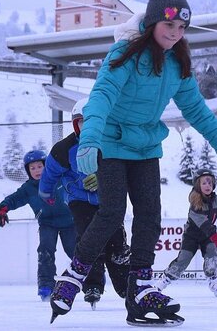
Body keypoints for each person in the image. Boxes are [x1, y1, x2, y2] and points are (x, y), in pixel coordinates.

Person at [50, 0, 217, 326]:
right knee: (111, 212)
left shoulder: (177, 63)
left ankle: (140, 289)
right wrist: (89, 140)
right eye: (169, 25)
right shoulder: (125, 54)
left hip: (146, 147)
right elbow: (102, 95)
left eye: (182, 28)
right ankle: (73, 276)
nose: (176, 34)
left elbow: (196, 109)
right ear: (152, 22)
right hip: (111, 142)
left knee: (150, 215)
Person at [40, 97, 130, 309]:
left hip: (109, 199)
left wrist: (104, 178)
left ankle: (125, 284)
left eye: (93, 121)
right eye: (82, 121)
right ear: (75, 124)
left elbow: (127, 171)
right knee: (88, 240)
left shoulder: (112, 145)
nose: (87, 126)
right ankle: (92, 284)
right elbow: (50, 172)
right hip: (79, 200)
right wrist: (45, 192)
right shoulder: (64, 149)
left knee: (117, 243)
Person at [0, 149, 75, 302]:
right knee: (45, 251)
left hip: (69, 221)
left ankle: (91, 279)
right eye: (32, 168)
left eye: (40, 166)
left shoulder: (59, 179)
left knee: (74, 251)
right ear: (28, 171)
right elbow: (13, 199)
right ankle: (46, 285)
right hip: (47, 223)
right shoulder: (29, 188)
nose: (37, 170)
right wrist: (2, 210)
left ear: (47, 166)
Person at [156, 169, 217, 297]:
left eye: (210, 183)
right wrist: (216, 238)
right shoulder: (195, 204)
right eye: (204, 183)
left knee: (212, 254)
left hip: (206, 237)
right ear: (197, 186)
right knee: (183, 260)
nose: (207, 186)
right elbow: (205, 225)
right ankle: (163, 282)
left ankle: (213, 282)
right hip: (192, 237)